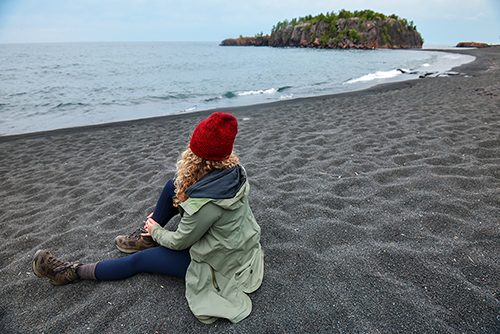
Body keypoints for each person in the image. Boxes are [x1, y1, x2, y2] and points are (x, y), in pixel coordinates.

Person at [32, 112, 264, 324]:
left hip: (218, 262)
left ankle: (72, 272)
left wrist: (156, 230)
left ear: (199, 157)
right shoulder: (234, 171)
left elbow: (180, 242)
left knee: (139, 262)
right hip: (235, 242)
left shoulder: (206, 206)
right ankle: (146, 240)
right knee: (173, 186)